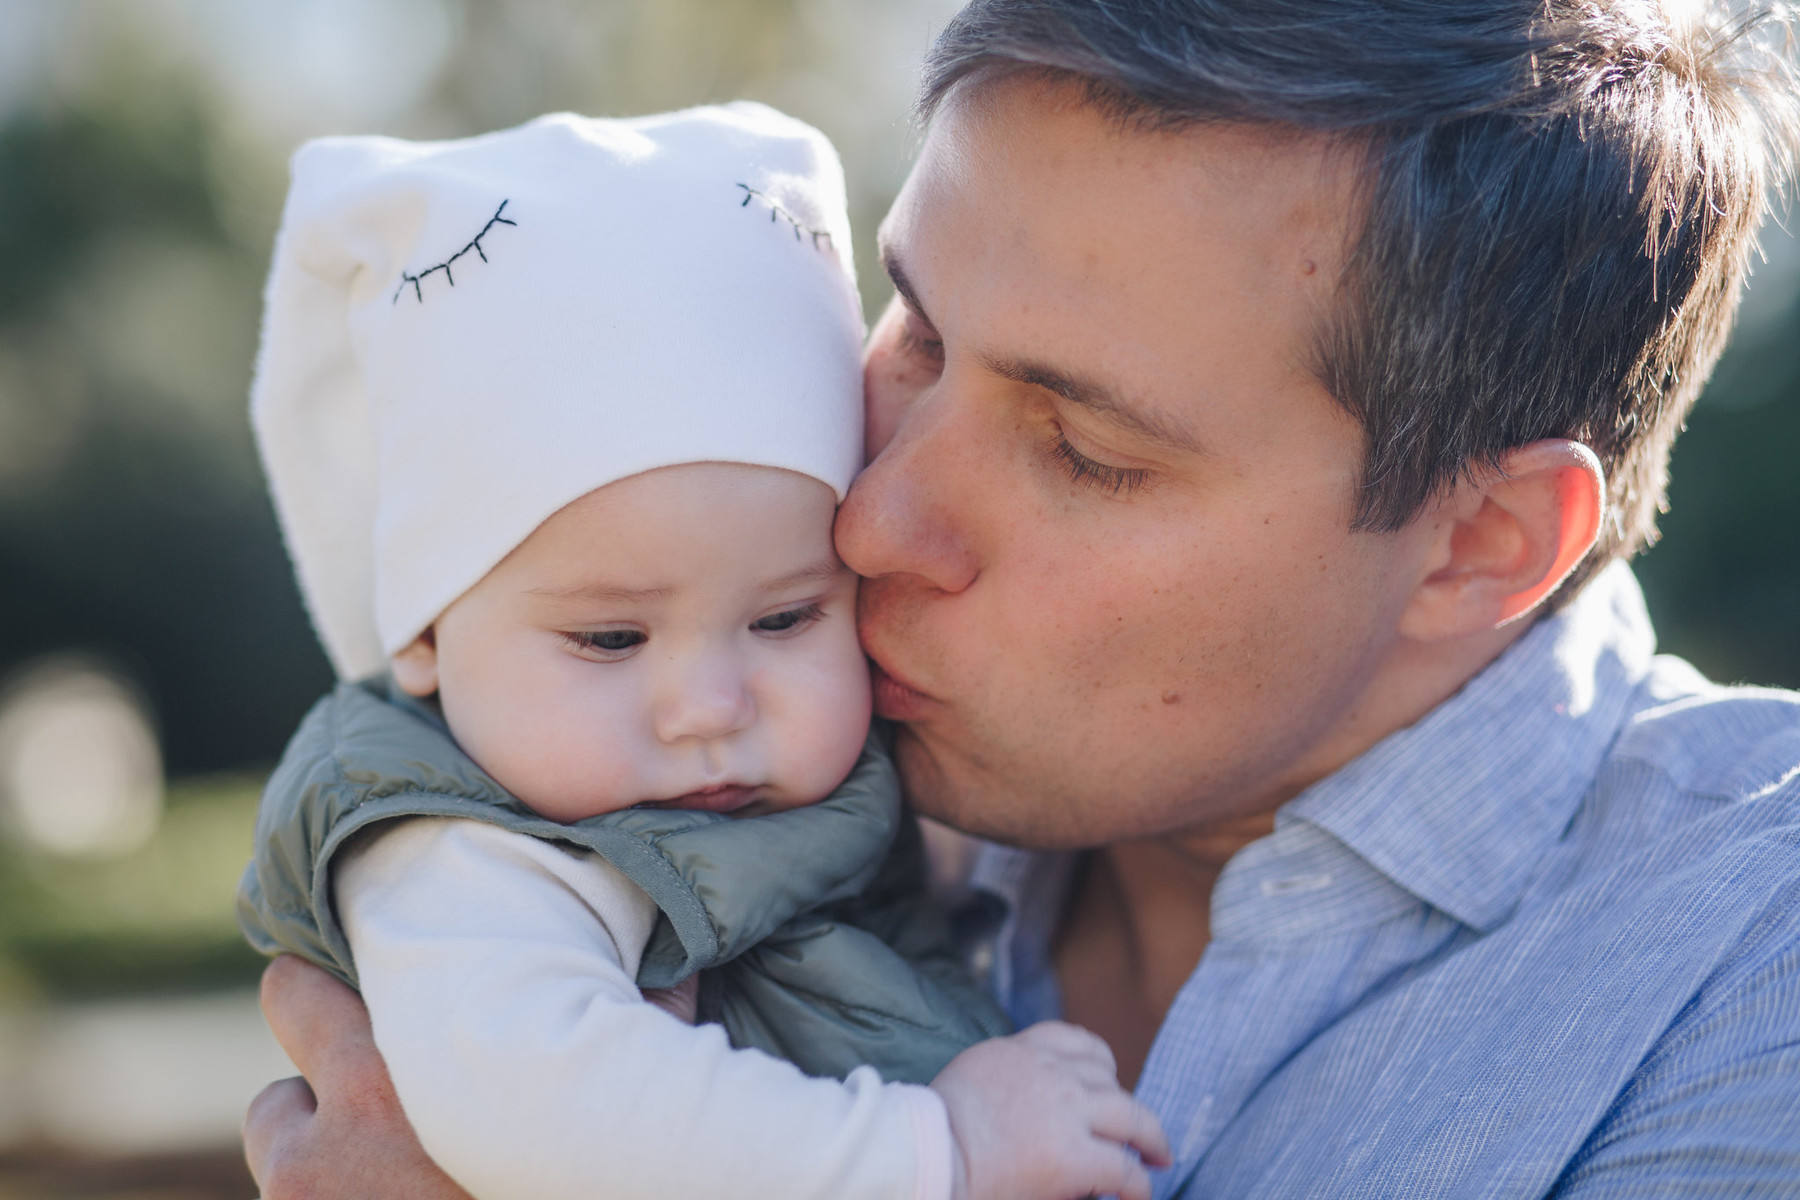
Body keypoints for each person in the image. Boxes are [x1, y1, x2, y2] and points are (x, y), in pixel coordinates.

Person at [246, 1, 1800, 1196]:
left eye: (1084, 449)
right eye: (913, 332)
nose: (869, 517)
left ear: (1484, 539)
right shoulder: (694, 784)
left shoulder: (1745, 971)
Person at [235, 103, 1169, 1200]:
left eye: (784, 619)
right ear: (426, 636)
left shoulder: (849, 786)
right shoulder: (455, 844)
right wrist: (941, 1151)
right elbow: (545, 1108)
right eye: (611, 637)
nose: (710, 704)